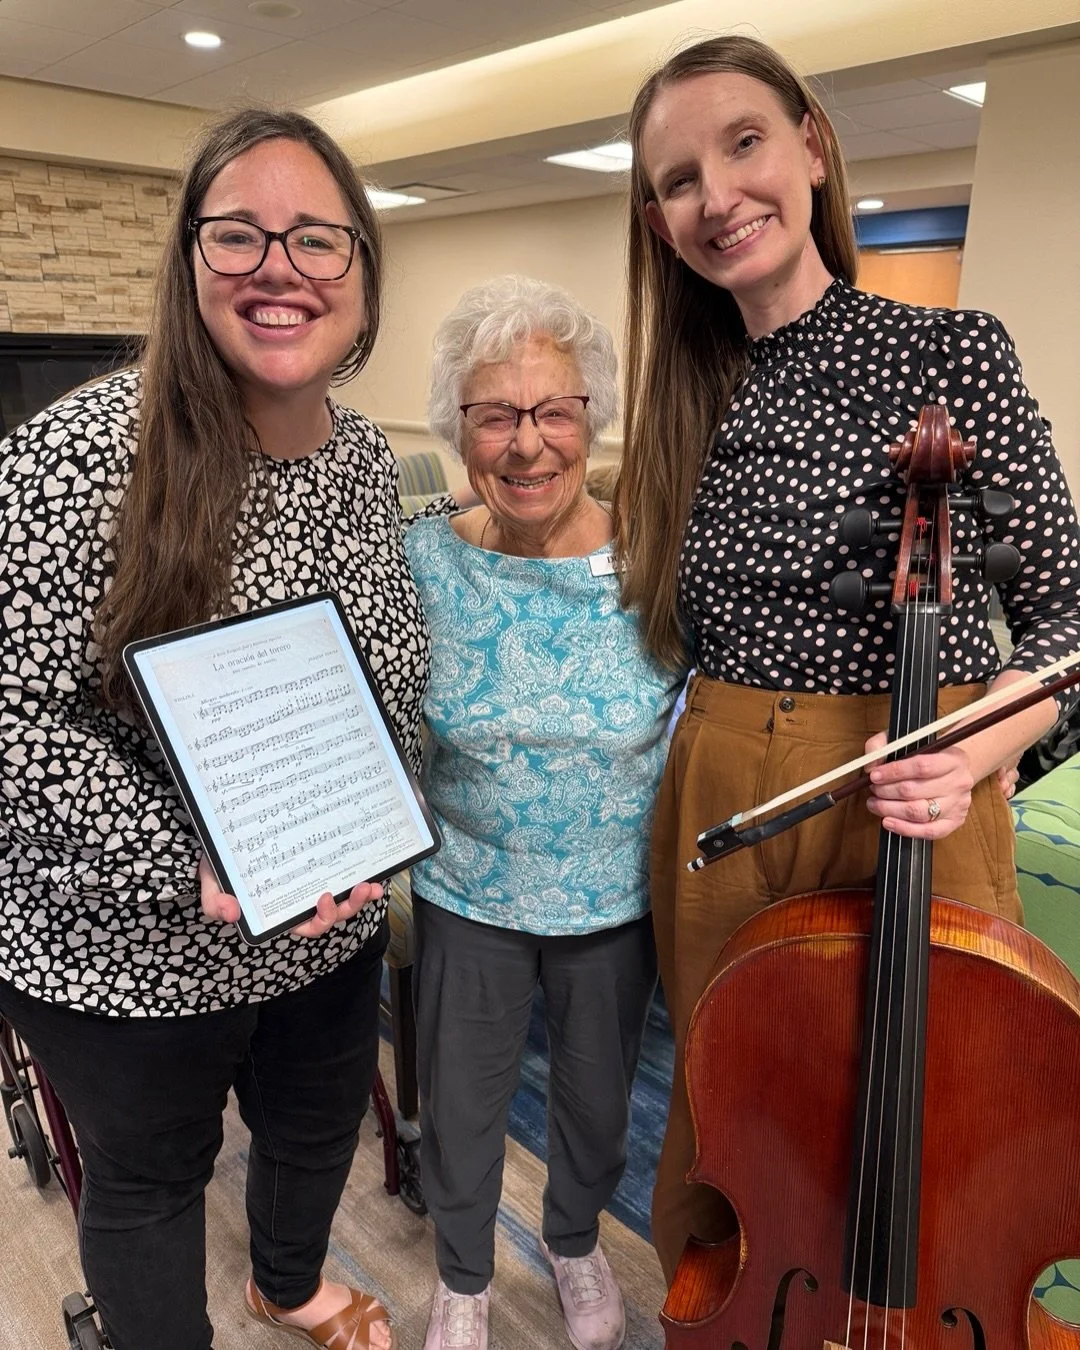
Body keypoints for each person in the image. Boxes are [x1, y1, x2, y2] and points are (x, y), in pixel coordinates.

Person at [615, 34, 1080, 1283]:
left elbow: (1068, 627)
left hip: (907, 784)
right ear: (658, 224)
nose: (718, 196)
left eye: (745, 142)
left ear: (814, 146)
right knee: (739, 1129)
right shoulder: (682, 403)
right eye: (676, 179)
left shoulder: (951, 352)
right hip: (722, 794)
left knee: (930, 1139)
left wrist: (974, 747)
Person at [0, 108, 443, 1350]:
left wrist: (372, 806)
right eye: (239, 234)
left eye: (318, 239)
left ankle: (287, 1284)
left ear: (361, 270)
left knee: (312, 1130)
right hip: (127, 950)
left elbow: (376, 679)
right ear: (189, 260)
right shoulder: (77, 462)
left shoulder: (362, 461)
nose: (280, 268)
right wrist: (184, 867)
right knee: (152, 1180)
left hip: (322, 920)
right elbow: (17, 727)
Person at [404, 275, 683, 1350]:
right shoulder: (422, 558)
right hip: (467, 885)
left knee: (596, 1101)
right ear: (459, 429)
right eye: (495, 415)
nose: (527, 444)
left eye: (553, 410)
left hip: (615, 893)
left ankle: (574, 1247)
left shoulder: (656, 558)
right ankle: (463, 1279)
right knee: (464, 1110)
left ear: (588, 418)